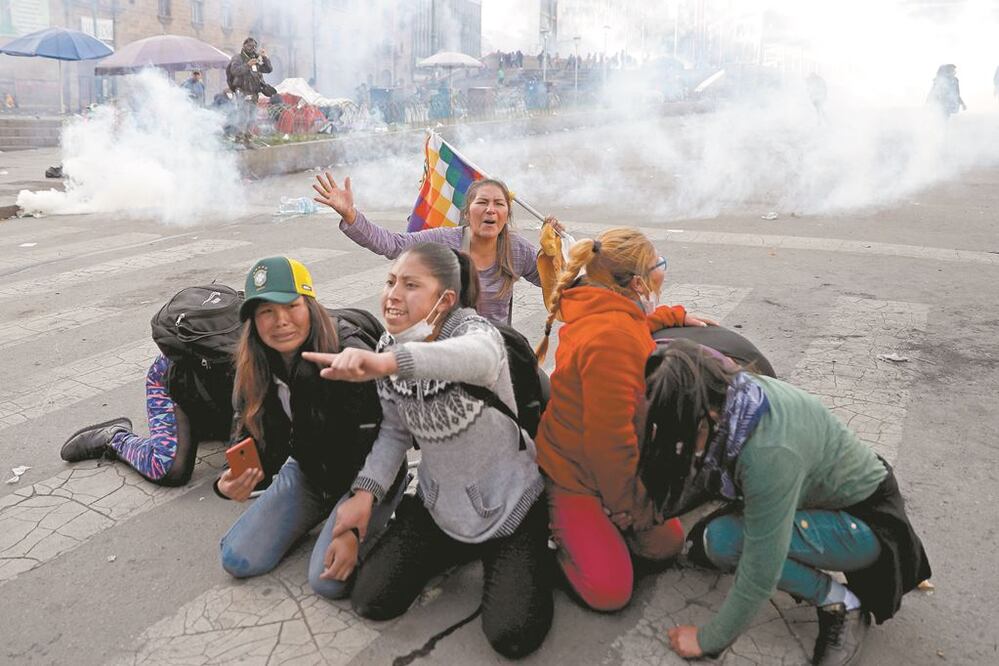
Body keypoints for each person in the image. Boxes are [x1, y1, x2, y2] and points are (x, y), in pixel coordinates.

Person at [303, 243, 553, 658]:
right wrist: (365, 497)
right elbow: (395, 434)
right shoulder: (388, 344)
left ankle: (525, 554)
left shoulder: (478, 335)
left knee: (513, 635)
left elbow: (474, 357)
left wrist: (386, 363)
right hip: (441, 505)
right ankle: (462, 545)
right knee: (371, 600)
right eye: (390, 282)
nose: (392, 294)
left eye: (410, 285)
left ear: (445, 299)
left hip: (509, 504)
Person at [639, 340, 931, 665]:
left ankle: (842, 604)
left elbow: (761, 570)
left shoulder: (768, 453)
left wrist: (707, 640)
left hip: (867, 525)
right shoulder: (735, 395)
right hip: (821, 495)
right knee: (715, 542)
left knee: (732, 543)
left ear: (707, 416)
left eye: (683, 433)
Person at [533, 227, 716, 612]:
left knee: (665, 546)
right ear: (636, 282)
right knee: (610, 592)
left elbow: (636, 325)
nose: (661, 270)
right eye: (657, 265)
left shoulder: (608, 309)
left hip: (606, 464)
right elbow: (608, 445)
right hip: (574, 475)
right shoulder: (610, 338)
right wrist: (629, 508)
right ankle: (551, 535)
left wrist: (672, 315)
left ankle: (602, 530)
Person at [215, 256, 406, 599]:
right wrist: (229, 482)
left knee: (327, 581)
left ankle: (395, 519)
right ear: (253, 322)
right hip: (308, 471)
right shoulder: (255, 364)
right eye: (266, 312)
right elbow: (246, 435)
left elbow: (389, 438)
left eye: (291, 306)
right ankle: (320, 512)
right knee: (236, 558)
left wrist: (359, 509)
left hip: (367, 478)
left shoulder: (347, 354)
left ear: (311, 305)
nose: (281, 322)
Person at [312, 173, 562, 325]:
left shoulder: (516, 249)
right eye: (482, 202)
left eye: (499, 204)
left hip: (496, 352)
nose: (490, 210)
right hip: (445, 350)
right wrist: (351, 215)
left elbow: (557, 286)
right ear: (467, 212)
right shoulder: (445, 241)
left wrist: (555, 253)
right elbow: (393, 245)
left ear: (506, 214)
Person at [226, 37, 273, 146]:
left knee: (252, 116)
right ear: (244, 46)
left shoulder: (256, 58)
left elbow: (268, 69)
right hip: (242, 91)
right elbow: (234, 71)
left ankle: (248, 140)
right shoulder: (238, 58)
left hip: (253, 92)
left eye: (254, 46)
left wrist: (265, 58)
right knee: (243, 115)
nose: (252, 48)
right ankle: (239, 140)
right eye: (249, 46)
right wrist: (248, 65)